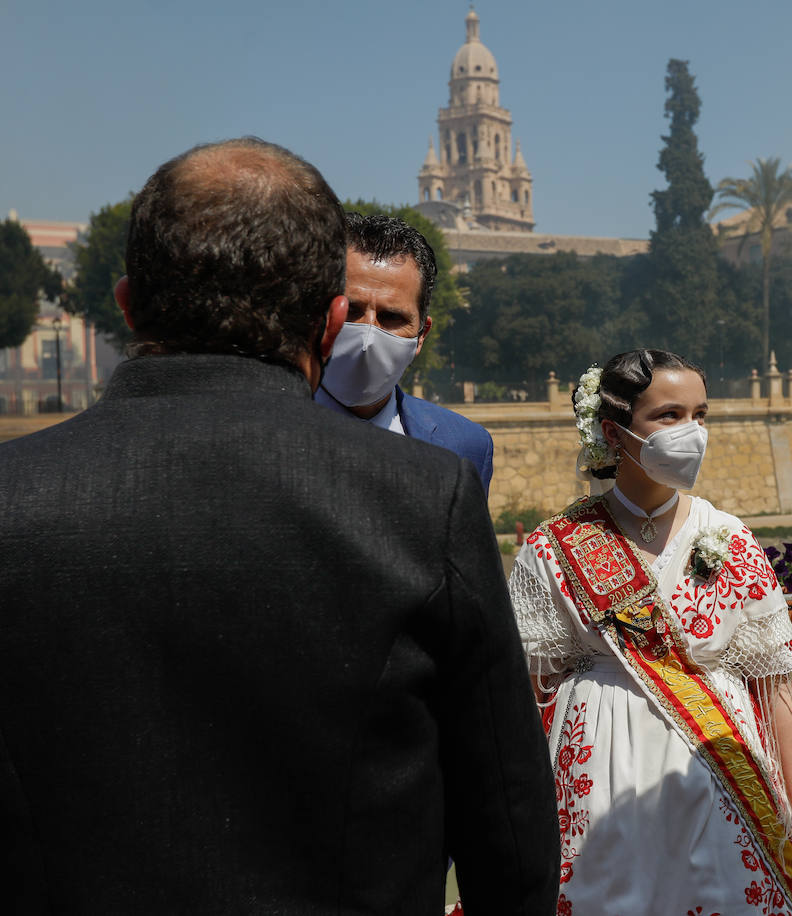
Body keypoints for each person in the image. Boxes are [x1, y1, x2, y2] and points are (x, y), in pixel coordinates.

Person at [0, 137, 558, 914]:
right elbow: (509, 822)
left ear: (126, 305)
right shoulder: (426, 499)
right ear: (332, 324)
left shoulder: (13, 500)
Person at [510, 349, 792, 915]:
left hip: (718, 781)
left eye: (700, 414)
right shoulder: (554, 546)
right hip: (596, 783)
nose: (691, 432)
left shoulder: (731, 538)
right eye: (668, 416)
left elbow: (775, 693)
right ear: (614, 434)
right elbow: (523, 700)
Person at [316, 211, 494, 491]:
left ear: (421, 335)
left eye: (391, 318)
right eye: (351, 311)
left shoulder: (465, 447)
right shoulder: (257, 429)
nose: (368, 335)